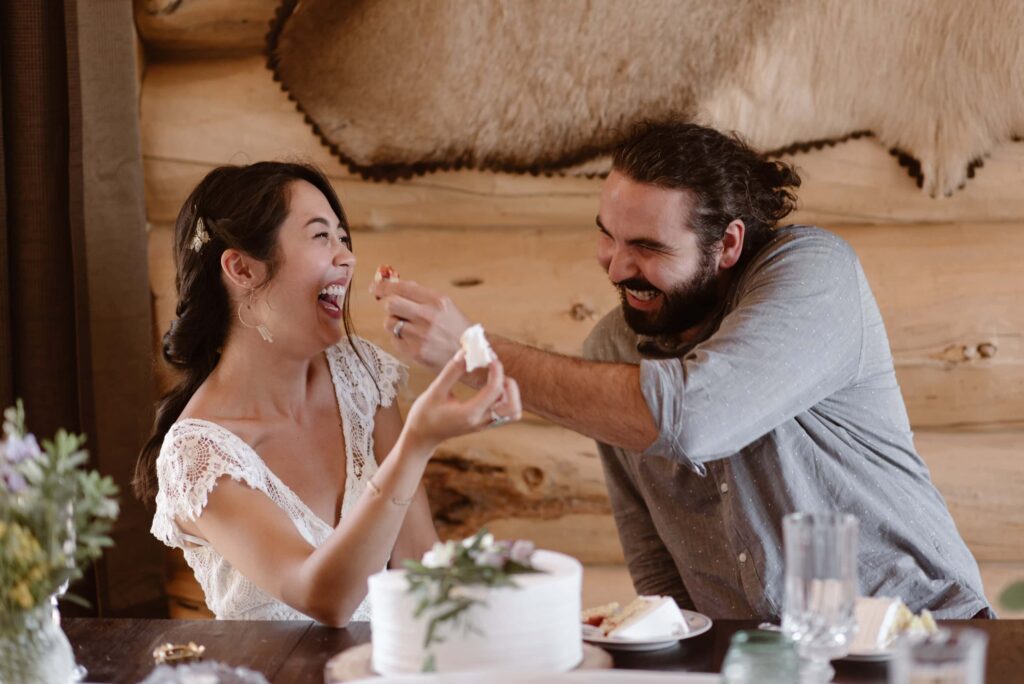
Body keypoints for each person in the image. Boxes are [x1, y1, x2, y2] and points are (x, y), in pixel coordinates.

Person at [370, 121, 993, 620]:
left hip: (924, 637)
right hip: (753, 661)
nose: (615, 267)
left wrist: (475, 352)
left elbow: (696, 416)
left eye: (647, 248)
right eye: (608, 237)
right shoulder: (611, 347)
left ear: (727, 245)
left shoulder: (815, 273)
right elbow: (654, 556)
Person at [134, 162, 521, 626]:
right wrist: (417, 442)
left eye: (343, 237)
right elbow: (322, 597)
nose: (347, 257)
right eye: (321, 237)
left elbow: (421, 564)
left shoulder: (361, 376)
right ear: (242, 268)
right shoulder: (200, 455)